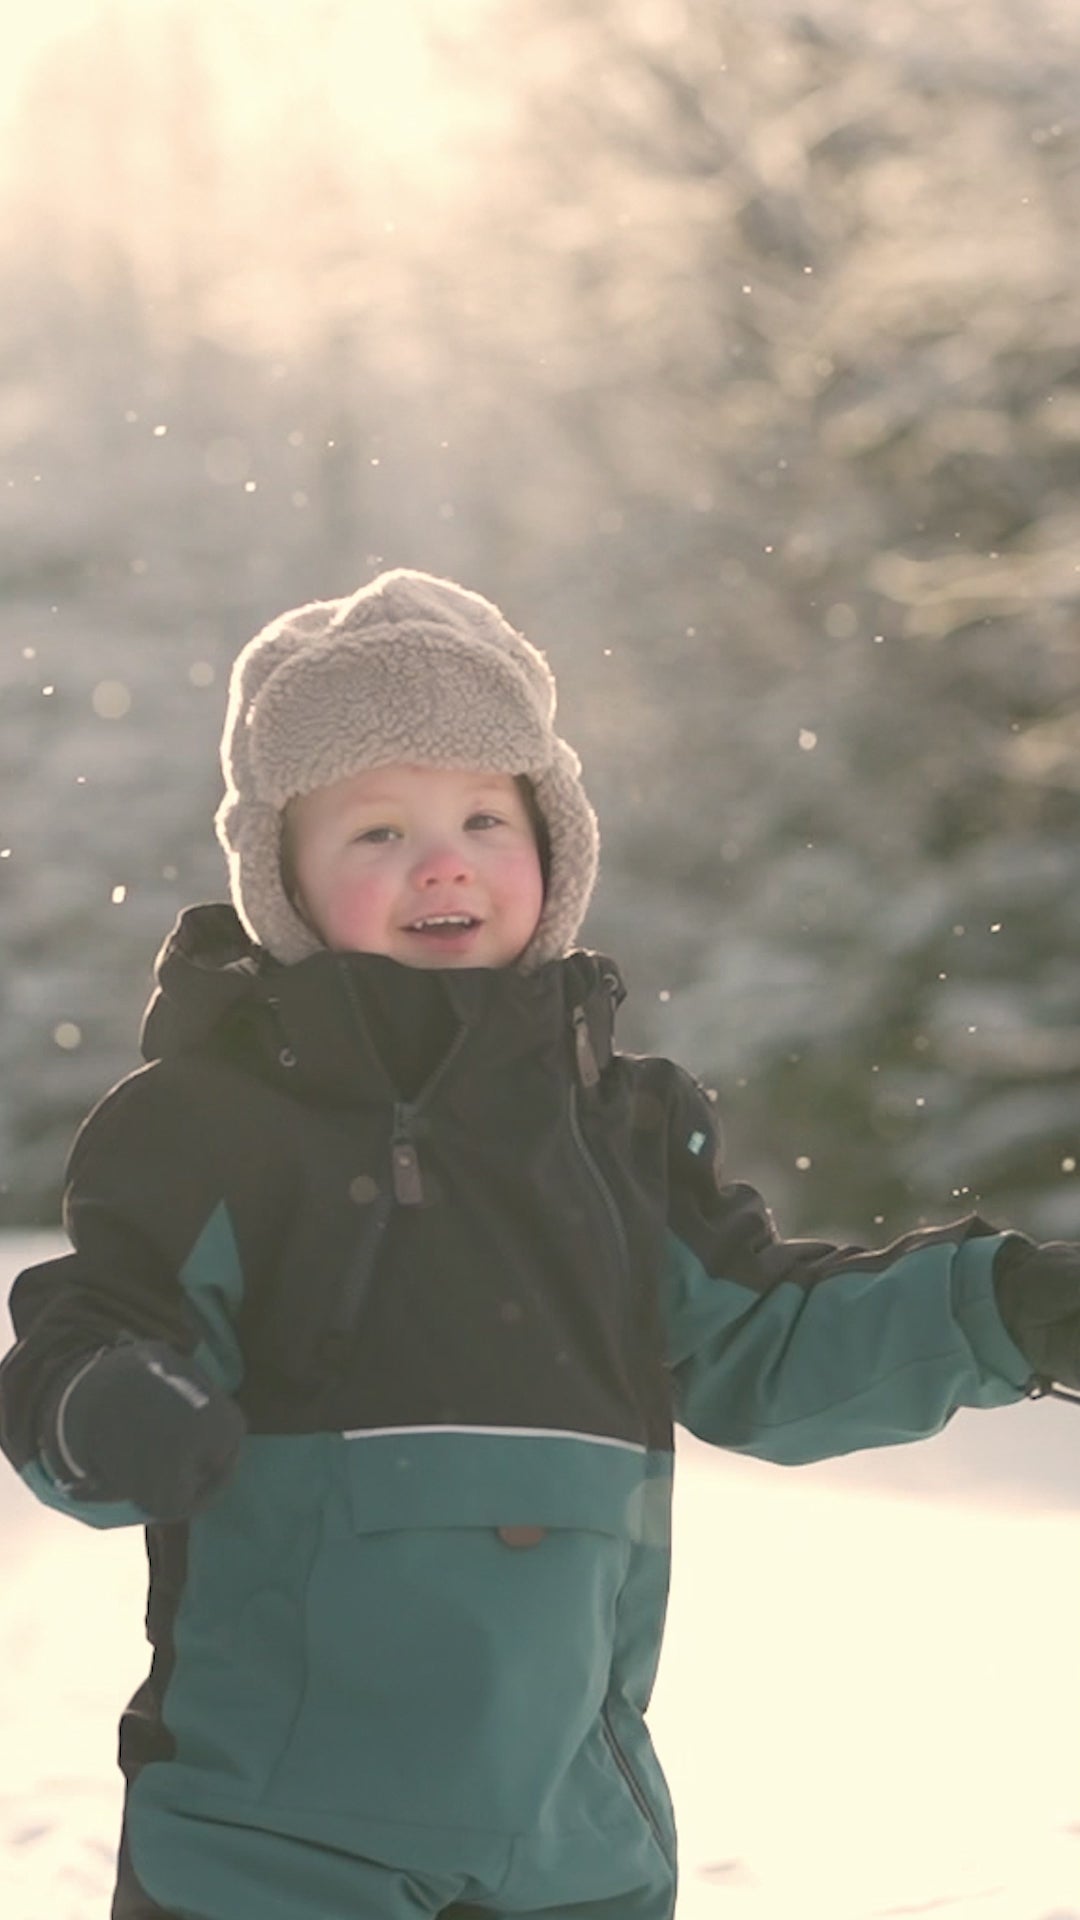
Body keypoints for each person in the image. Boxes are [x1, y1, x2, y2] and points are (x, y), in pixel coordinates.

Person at [2, 567, 1079, 1920]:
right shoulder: (208, 1129)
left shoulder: (619, 1133)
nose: (440, 858)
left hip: (571, 1840)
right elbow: (95, 1326)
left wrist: (1009, 1312)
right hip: (272, 1845)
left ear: (555, 849)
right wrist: (104, 1405)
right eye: (375, 830)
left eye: (480, 817)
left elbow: (766, 1344)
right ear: (281, 878)